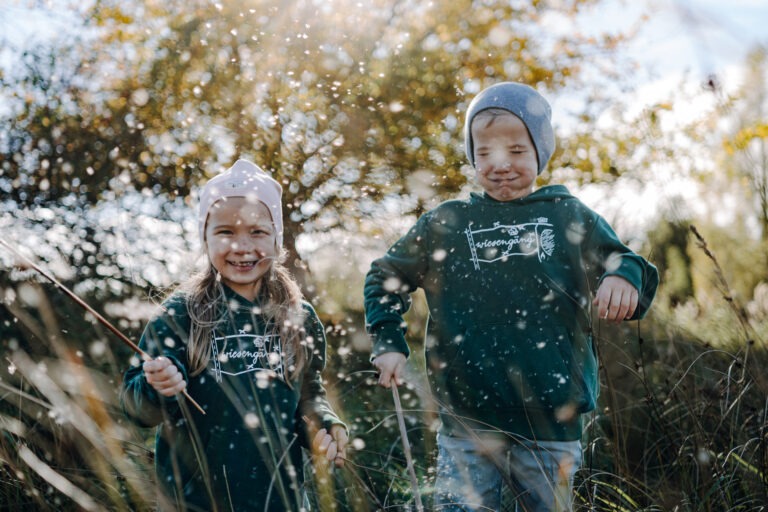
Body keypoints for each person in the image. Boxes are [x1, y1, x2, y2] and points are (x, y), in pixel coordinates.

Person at [364, 82, 659, 511]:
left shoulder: (567, 215)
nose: (501, 165)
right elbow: (385, 274)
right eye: (485, 154)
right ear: (472, 156)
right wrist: (388, 341)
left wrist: (623, 278)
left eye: (517, 151)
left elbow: (627, 262)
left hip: (551, 421)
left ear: (540, 151)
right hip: (467, 419)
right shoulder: (446, 222)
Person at [122, 159, 348, 511]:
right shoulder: (179, 313)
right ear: (205, 238)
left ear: (277, 239)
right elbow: (136, 409)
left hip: (280, 500)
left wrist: (323, 426)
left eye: (257, 232)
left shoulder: (298, 316)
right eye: (226, 232)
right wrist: (157, 387)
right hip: (194, 502)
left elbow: (308, 393)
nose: (242, 247)